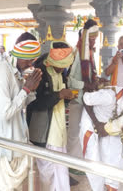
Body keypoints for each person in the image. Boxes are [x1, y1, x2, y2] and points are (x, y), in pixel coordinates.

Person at [0, 32, 42, 190]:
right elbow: (6, 113)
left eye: (32, 60)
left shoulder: (17, 72)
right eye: (28, 59)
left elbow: (21, 105)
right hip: (3, 150)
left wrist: (32, 89)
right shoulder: (3, 72)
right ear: (18, 52)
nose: (30, 64)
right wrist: (26, 89)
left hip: (15, 145)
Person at [80, 74, 123, 191]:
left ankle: (111, 186)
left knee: (117, 157)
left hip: (108, 127)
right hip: (92, 126)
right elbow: (85, 99)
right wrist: (97, 124)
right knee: (94, 160)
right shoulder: (109, 96)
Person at [27, 41, 76, 191]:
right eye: (62, 65)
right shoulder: (39, 73)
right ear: (54, 60)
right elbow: (34, 103)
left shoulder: (61, 72)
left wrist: (66, 97)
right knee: (47, 171)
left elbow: (60, 95)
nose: (63, 68)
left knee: (61, 168)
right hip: (44, 131)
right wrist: (59, 95)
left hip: (58, 128)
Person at [67, 20, 100, 182]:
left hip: (88, 100)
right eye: (92, 38)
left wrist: (96, 81)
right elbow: (70, 80)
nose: (94, 41)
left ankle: (79, 165)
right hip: (77, 100)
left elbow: (91, 74)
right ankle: (71, 168)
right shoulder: (77, 54)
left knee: (84, 132)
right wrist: (85, 84)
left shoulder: (90, 54)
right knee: (73, 134)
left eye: (95, 38)